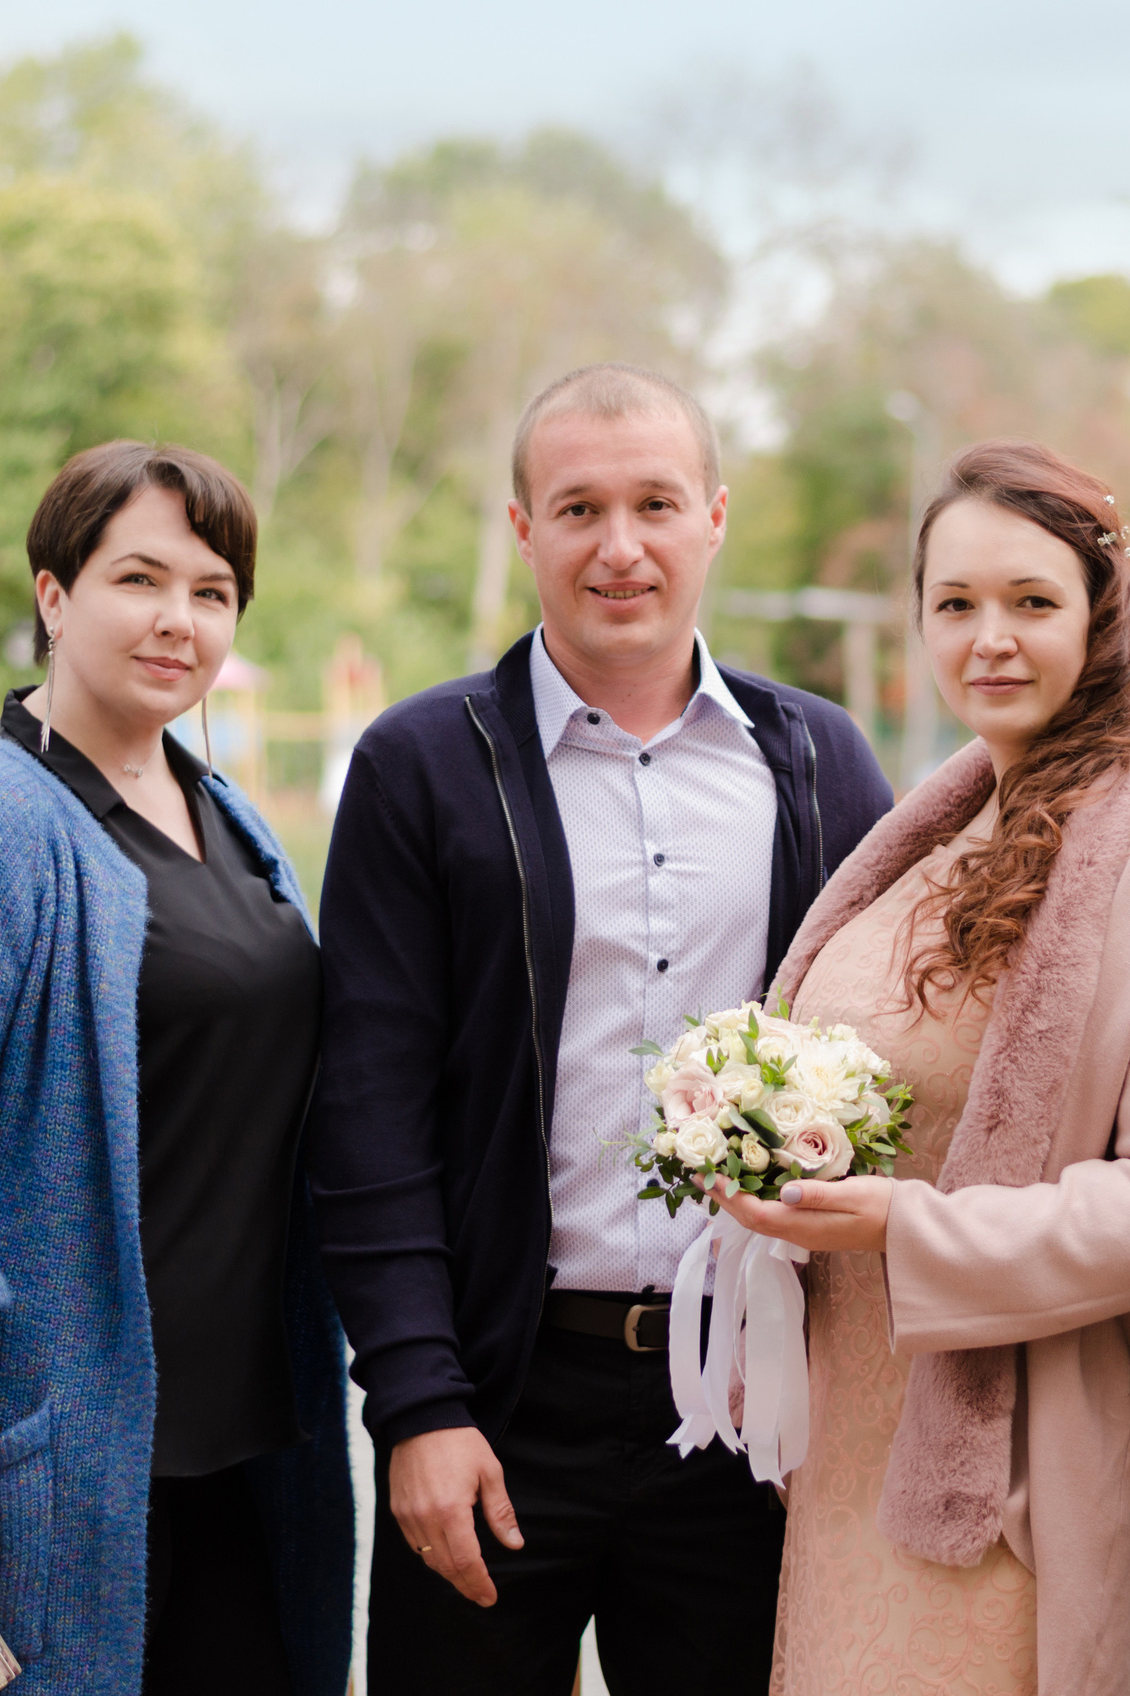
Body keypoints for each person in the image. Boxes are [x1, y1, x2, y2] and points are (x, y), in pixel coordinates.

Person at [306, 363, 896, 1696]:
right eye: (578, 508)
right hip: (500, 1404)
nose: (618, 547)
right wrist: (420, 1407)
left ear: (714, 519)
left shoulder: (818, 763)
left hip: (744, 1419)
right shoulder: (421, 765)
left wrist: (834, 1404)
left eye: (654, 504)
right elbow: (368, 1116)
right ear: (522, 530)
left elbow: (888, 1062)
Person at [709, 440, 1130, 1695]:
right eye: (954, 605)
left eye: (1031, 601)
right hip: (843, 1444)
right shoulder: (919, 840)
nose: (990, 639)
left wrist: (910, 1227)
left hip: (1015, 1461)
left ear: (1102, 614)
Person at [0, 441, 352, 1696]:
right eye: (138, 579)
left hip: (235, 1458)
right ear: (53, 595)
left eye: (212, 592)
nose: (178, 619)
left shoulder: (233, 818)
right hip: (33, 1477)